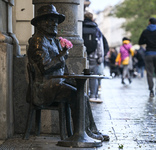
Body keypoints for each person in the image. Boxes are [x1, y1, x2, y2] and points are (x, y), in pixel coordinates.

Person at [27, 4, 109, 141]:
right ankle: (80, 134)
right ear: (40, 23)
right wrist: (62, 56)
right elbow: (45, 68)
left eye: (55, 20)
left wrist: (70, 78)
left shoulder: (53, 40)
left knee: (82, 94)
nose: (54, 23)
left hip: (56, 84)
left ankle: (89, 131)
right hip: (43, 88)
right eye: (50, 19)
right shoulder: (37, 41)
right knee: (78, 95)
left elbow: (60, 67)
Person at [138, 17, 156, 97]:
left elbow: (140, 42)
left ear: (149, 22)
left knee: (149, 73)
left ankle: (151, 90)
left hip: (148, 54)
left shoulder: (145, 31)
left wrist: (146, 41)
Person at [83, 12, 104, 103]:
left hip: (83, 56)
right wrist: (100, 57)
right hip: (94, 57)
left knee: (82, 76)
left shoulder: (81, 27)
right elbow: (100, 44)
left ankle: (82, 94)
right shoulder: (96, 29)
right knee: (93, 77)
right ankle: (92, 96)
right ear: (92, 19)